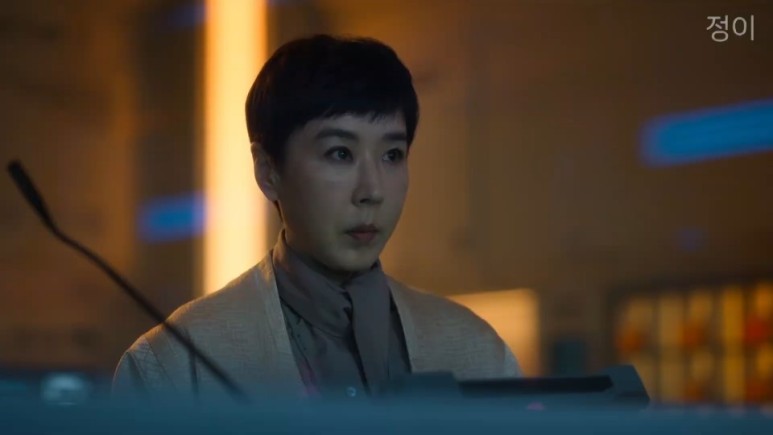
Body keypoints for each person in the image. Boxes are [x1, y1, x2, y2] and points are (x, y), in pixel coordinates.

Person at [112, 34, 520, 401]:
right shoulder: (178, 364)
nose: (372, 191)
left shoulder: (475, 351)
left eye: (392, 155)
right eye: (340, 153)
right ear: (268, 171)